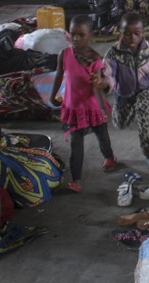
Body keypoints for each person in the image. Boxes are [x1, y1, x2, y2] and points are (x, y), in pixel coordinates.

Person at [48, 15, 116, 193]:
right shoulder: (65, 54)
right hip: (73, 108)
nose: (76, 39)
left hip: (93, 108)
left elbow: (97, 88)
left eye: (81, 35)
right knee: (75, 146)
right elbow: (58, 75)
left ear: (90, 35)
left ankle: (109, 157)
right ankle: (76, 180)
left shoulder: (95, 60)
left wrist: (102, 108)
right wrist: (52, 95)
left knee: (102, 136)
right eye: (72, 34)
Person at [100, 12, 149, 171]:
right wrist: (105, 83)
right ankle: (125, 114)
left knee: (148, 125)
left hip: (142, 94)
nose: (132, 37)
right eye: (127, 33)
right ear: (120, 32)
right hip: (122, 95)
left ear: (143, 33)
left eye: (137, 33)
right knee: (120, 123)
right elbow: (107, 72)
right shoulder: (113, 53)